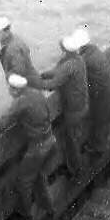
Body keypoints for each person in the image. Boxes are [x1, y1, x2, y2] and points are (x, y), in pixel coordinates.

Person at [0, 74, 55, 220]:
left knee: (23, 182)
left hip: (37, 148)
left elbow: (2, 124)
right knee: (39, 176)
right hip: (50, 139)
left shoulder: (20, 102)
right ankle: (49, 209)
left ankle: (26, 215)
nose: (9, 91)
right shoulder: (37, 93)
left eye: (10, 88)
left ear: (15, 89)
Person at [40, 34, 90, 179]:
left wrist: (36, 82)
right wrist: (44, 74)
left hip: (73, 111)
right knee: (75, 138)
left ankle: (76, 171)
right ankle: (75, 166)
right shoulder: (78, 60)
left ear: (65, 50)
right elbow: (58, 73)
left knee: (71, 141)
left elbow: (53, 83)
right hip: (83, 105)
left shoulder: (68, 65)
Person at [71, 27, 110, 155]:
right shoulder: (94, 50)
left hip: (107, 94)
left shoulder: (85, 59)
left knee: (101, 120)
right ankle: (102, 142)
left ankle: (99, 148)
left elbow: (74, 73)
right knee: (105, 119)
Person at [0, 16, 43, 89]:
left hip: (27, 85)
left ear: (7, 31)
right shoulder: (13, 39)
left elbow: (20, 71)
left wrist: (9, 77)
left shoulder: (13, 49)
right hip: (31, 80)